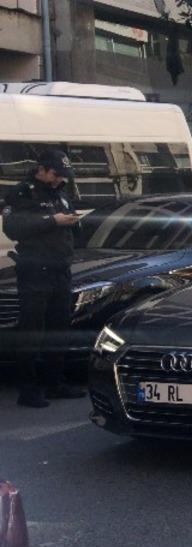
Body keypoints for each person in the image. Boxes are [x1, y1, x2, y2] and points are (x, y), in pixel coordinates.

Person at [0, 150, 87, 407]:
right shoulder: (23, 192)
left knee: (58, 330)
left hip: (60, 270)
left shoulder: (60, 193)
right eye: (56, 173)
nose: (60, 179)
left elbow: (70, 224)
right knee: (32, 332)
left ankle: (54, 382)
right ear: (42, 169)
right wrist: (52, 220)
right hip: (35, 271)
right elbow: (13, 227)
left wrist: (73, 222)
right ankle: (28, 389)